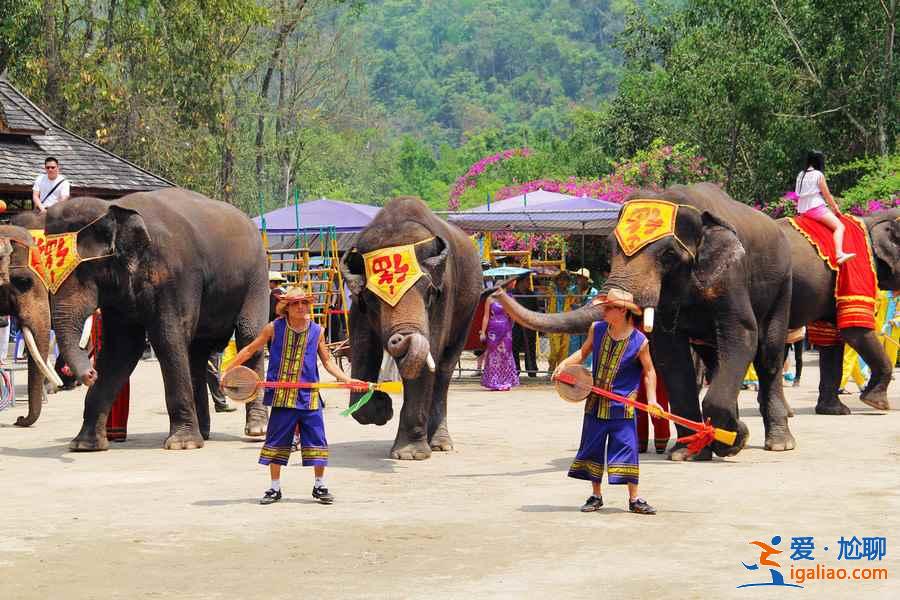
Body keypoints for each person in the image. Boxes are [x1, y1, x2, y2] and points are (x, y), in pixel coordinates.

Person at [225, 286, 365, 506]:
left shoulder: (317, 331)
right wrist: (228, 371)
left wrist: (347, 380)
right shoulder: (273, 328)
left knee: (317, 441)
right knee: (276, 442)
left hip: (309, 396)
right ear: (286, 308)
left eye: (304, 303)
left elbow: (327, 362)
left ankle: (319, 485)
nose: (301, 307)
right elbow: (250, 349)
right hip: (282, 396)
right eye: (295, 304)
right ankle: (274, 488)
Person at [553, 288, 660, 515]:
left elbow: (649, 372)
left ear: (622, 311)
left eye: (608, 307)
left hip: (623, 408)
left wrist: (652, 400)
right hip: (594, 403)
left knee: (628, 450)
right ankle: (596, 495)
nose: (603, 311)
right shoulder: (598, 330)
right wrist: (563, 365)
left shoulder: (640, 341)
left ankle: (634, 499)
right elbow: (582, 353)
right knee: (592, 449)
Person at [794, 150, 855, 264]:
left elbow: (798, 193)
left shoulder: (801, 174)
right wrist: (836, 209)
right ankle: (839, 254)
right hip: (816, 208)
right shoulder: (818, 175)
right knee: (839, 227)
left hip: (803, 210)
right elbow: (827, 195)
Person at [479, 280, 520, 391]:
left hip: (506, 330)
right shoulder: (490, 299)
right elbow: (486, 316)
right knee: (493, 355)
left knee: (506, 354)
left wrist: (510, 324)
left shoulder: (509, 299)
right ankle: (493, 381)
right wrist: (483, 332)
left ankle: (506, 380)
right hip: (493, 330)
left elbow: (514, 315)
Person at [547, 271, 575, 373]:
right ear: (557, 281)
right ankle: (551, 367)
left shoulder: (570, 294)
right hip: (554, 322)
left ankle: (560, 370)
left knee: (564, 348)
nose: (562, 282)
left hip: (566, 323)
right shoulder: (551, 292)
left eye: (565, 280)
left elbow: (573, 305)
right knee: (555, 348)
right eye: (560, 279)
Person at [568, 268, 599, 359]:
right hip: (575, 323)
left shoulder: (594, 292)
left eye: (581, 277)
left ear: (586, 280)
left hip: (588, 324)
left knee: (588, 345)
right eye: (577, 277)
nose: (578, 279)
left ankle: (587, 369)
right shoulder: (571, 291)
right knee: (574, 345)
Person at [510, 277, 538, 377]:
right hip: (515, 324)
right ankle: (515, 369)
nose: (528, 283)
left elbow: (535, 309)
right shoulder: (512, 294)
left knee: (530, 347)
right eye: (526, 281)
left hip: (528, 324)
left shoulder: (531, 294)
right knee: (514, 347)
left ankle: (532, 369)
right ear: (520, 282)